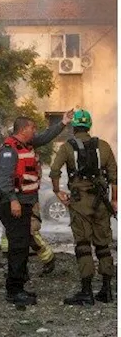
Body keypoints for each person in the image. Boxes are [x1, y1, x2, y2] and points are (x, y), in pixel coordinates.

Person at [0, 111, 71, 306]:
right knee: (18, 247)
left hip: (25, 204)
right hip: (15, 205)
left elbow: (46, 137)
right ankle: (14, 290)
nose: (35, 131)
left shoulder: (27, 144)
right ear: (22, 130)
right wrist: (13, 200)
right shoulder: (8, 149)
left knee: (21, 247)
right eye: (32, 127)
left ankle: (18, 286)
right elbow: (4, 179)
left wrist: (62, 123)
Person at [49, 109, 118, 305]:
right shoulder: (103, 146)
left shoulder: (67, 147)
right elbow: (114, 176)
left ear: (74, 126)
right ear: (89, 125)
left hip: (79, 203)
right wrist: (114, 200)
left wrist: (57, 191)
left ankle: (86, 291)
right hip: (101, 202)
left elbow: (54, 171)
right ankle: (106, 289)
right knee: (103, 245)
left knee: (83, 245)